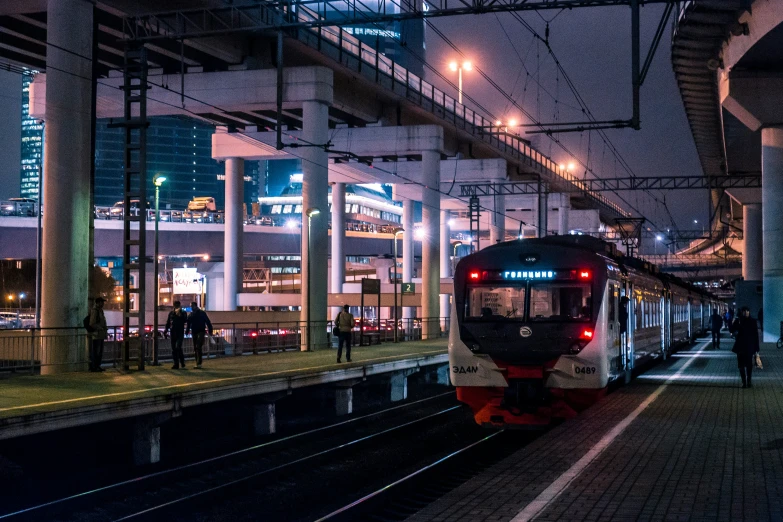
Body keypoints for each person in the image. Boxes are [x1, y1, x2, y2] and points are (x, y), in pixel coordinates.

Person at [731, 307, 760, 388]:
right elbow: (731, 329)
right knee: (741, 365)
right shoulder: (739, 321)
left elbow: (756, 335)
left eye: (747, 311)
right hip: (741, 347)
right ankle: (744, 381)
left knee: (749, 365)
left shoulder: (753, 321)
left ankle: (749, 381)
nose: (746, 312)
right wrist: (734, 320)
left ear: (749, 312)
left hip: (749, 346)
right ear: (742, 312)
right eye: (744, 311)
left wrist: (757, 348)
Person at [185, 302, 213, 369]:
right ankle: (198, 363)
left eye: (191, 306)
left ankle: (198, 362)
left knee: (197, 346)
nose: (191, 307)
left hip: (199, 331)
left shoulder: (193, 314)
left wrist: (187, 330)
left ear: (194, 306)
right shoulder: (199, 313)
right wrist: (210, 329)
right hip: (198, 331)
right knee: (196, 347)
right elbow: (207, 321)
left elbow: (189, 323)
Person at [165, 300, 188, 369]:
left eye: (177, 305)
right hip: (173, 332)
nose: (176, 306)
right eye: (175, 305)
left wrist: (179, 315)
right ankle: (176, 364)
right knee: (174, 349)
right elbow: (168, 322)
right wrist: (166, 330)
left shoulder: (183, 312)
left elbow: (185, 320)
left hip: (180, 332)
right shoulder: (171, 313)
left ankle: (182, 362)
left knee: (178, 347)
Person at [88, 297, 108, 372]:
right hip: (97, 335)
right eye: (102, 302)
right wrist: (100, 328)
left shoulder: (100, 311)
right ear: (98, 303)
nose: (103, 304)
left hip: (100, 334)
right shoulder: (95, 311)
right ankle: (95, 366)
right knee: (96, 351)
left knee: (99, 351)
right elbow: (92, 323)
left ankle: (97, 366)